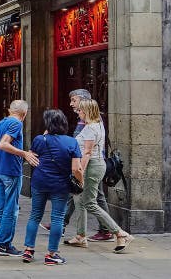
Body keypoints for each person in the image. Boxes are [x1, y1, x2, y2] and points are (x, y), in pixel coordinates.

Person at [64, 99, 134, 253]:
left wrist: (80, 171)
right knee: (78, 199)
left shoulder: (90, 128)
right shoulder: (97, 125)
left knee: (89, 203)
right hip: (95, 165)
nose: (78, 113)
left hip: (91, 167)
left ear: (87, 111)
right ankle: (81, 236)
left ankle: (120, 233)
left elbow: (87, 152)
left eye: (80, 111)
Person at [45, 89, 113, 241]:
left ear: (83, 102)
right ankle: (66, 225)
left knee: (92, 199)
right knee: (77, 195)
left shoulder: (91, 122)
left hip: (90, 164)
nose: (71, 104)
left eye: (74, 100)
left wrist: (79, 169)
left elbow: (87, 150)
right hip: (88, 163)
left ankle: (110, 230)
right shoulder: (85, 119)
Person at [21, 110, 82, 266]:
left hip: (39, 182)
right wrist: (80, 182)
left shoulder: (39, 139)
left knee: (35, 215)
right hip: (60, 185)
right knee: (57, 218)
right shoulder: (71, 142)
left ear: (47, 124)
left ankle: (28, 250)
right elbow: (77, 169)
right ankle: (51, 254)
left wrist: (45, 135)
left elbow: (32, 158)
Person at [0, 99, 38, 257]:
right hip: (11, 172)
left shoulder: (2, 122)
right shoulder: (17, 124)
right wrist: (24, 154)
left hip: (0, 170)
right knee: (11, 209)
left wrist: (2, 158)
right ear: (24, 113)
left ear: (10, 110)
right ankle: (4, 245)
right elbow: (2, 145)